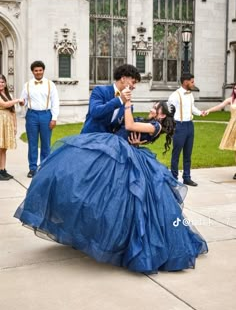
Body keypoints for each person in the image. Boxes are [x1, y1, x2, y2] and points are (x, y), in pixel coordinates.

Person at [14, 100, 208, 274]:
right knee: (97, 192)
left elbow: (130, 125)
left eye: (155, 107)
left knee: (122, 202)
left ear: (162, 114)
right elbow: (126, 126)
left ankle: (123, 244)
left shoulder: (155, 125)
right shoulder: (151, 122)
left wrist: (127, 102)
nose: (151, 108)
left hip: (126, 155)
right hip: (121, 150)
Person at [20, 61, 59, 178]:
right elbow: (24, 100)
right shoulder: (27, 85)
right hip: (31, 115)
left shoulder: (50, 84)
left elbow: (55, 102)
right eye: (36, 70)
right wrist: (22, 102)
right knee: (32, 142)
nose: (38, 72)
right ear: (32, 71)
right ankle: (32, 168)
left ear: (43, 70)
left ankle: (44, 167)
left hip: (46, 115)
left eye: (40, 70)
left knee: (46, 142)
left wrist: (54, 118)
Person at [81, 64, 141, 134]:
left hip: (109, 142)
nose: (134, 87)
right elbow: (95, 112)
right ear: (123, 79)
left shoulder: (128, 104)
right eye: (133, 82)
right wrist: (120, 100)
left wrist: (133, 141)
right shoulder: (100, 90)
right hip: (89, 139)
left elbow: (123, 128)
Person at [168, 73, 205, 187]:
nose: (193, 84)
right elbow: (169, 111)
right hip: (179, 126)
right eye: (192, 82)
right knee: (176, 153)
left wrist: (200, 113)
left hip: (190, 125)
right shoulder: (174, 96)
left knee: (188, 154)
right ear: (185, 82)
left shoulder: (190, 95)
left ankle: (187, 178)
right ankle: (174, 178)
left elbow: (192, 108)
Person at [206, 83, 236, 179]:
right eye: (235, 88)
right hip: (233, 126)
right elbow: (220, 106)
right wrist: (208, 110)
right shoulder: (231, 100)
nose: (235, 90)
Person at [0, 74, 23, 180]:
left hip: (7, 123)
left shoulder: (7, 95)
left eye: (3, 82)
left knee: (4, 148)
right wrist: (18, 100)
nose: (1, 84)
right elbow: (4, 104)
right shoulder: (6, 98)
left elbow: (13, 111)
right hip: (0, 123)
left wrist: (15, 126)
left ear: (5, 83)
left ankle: (3, 170)